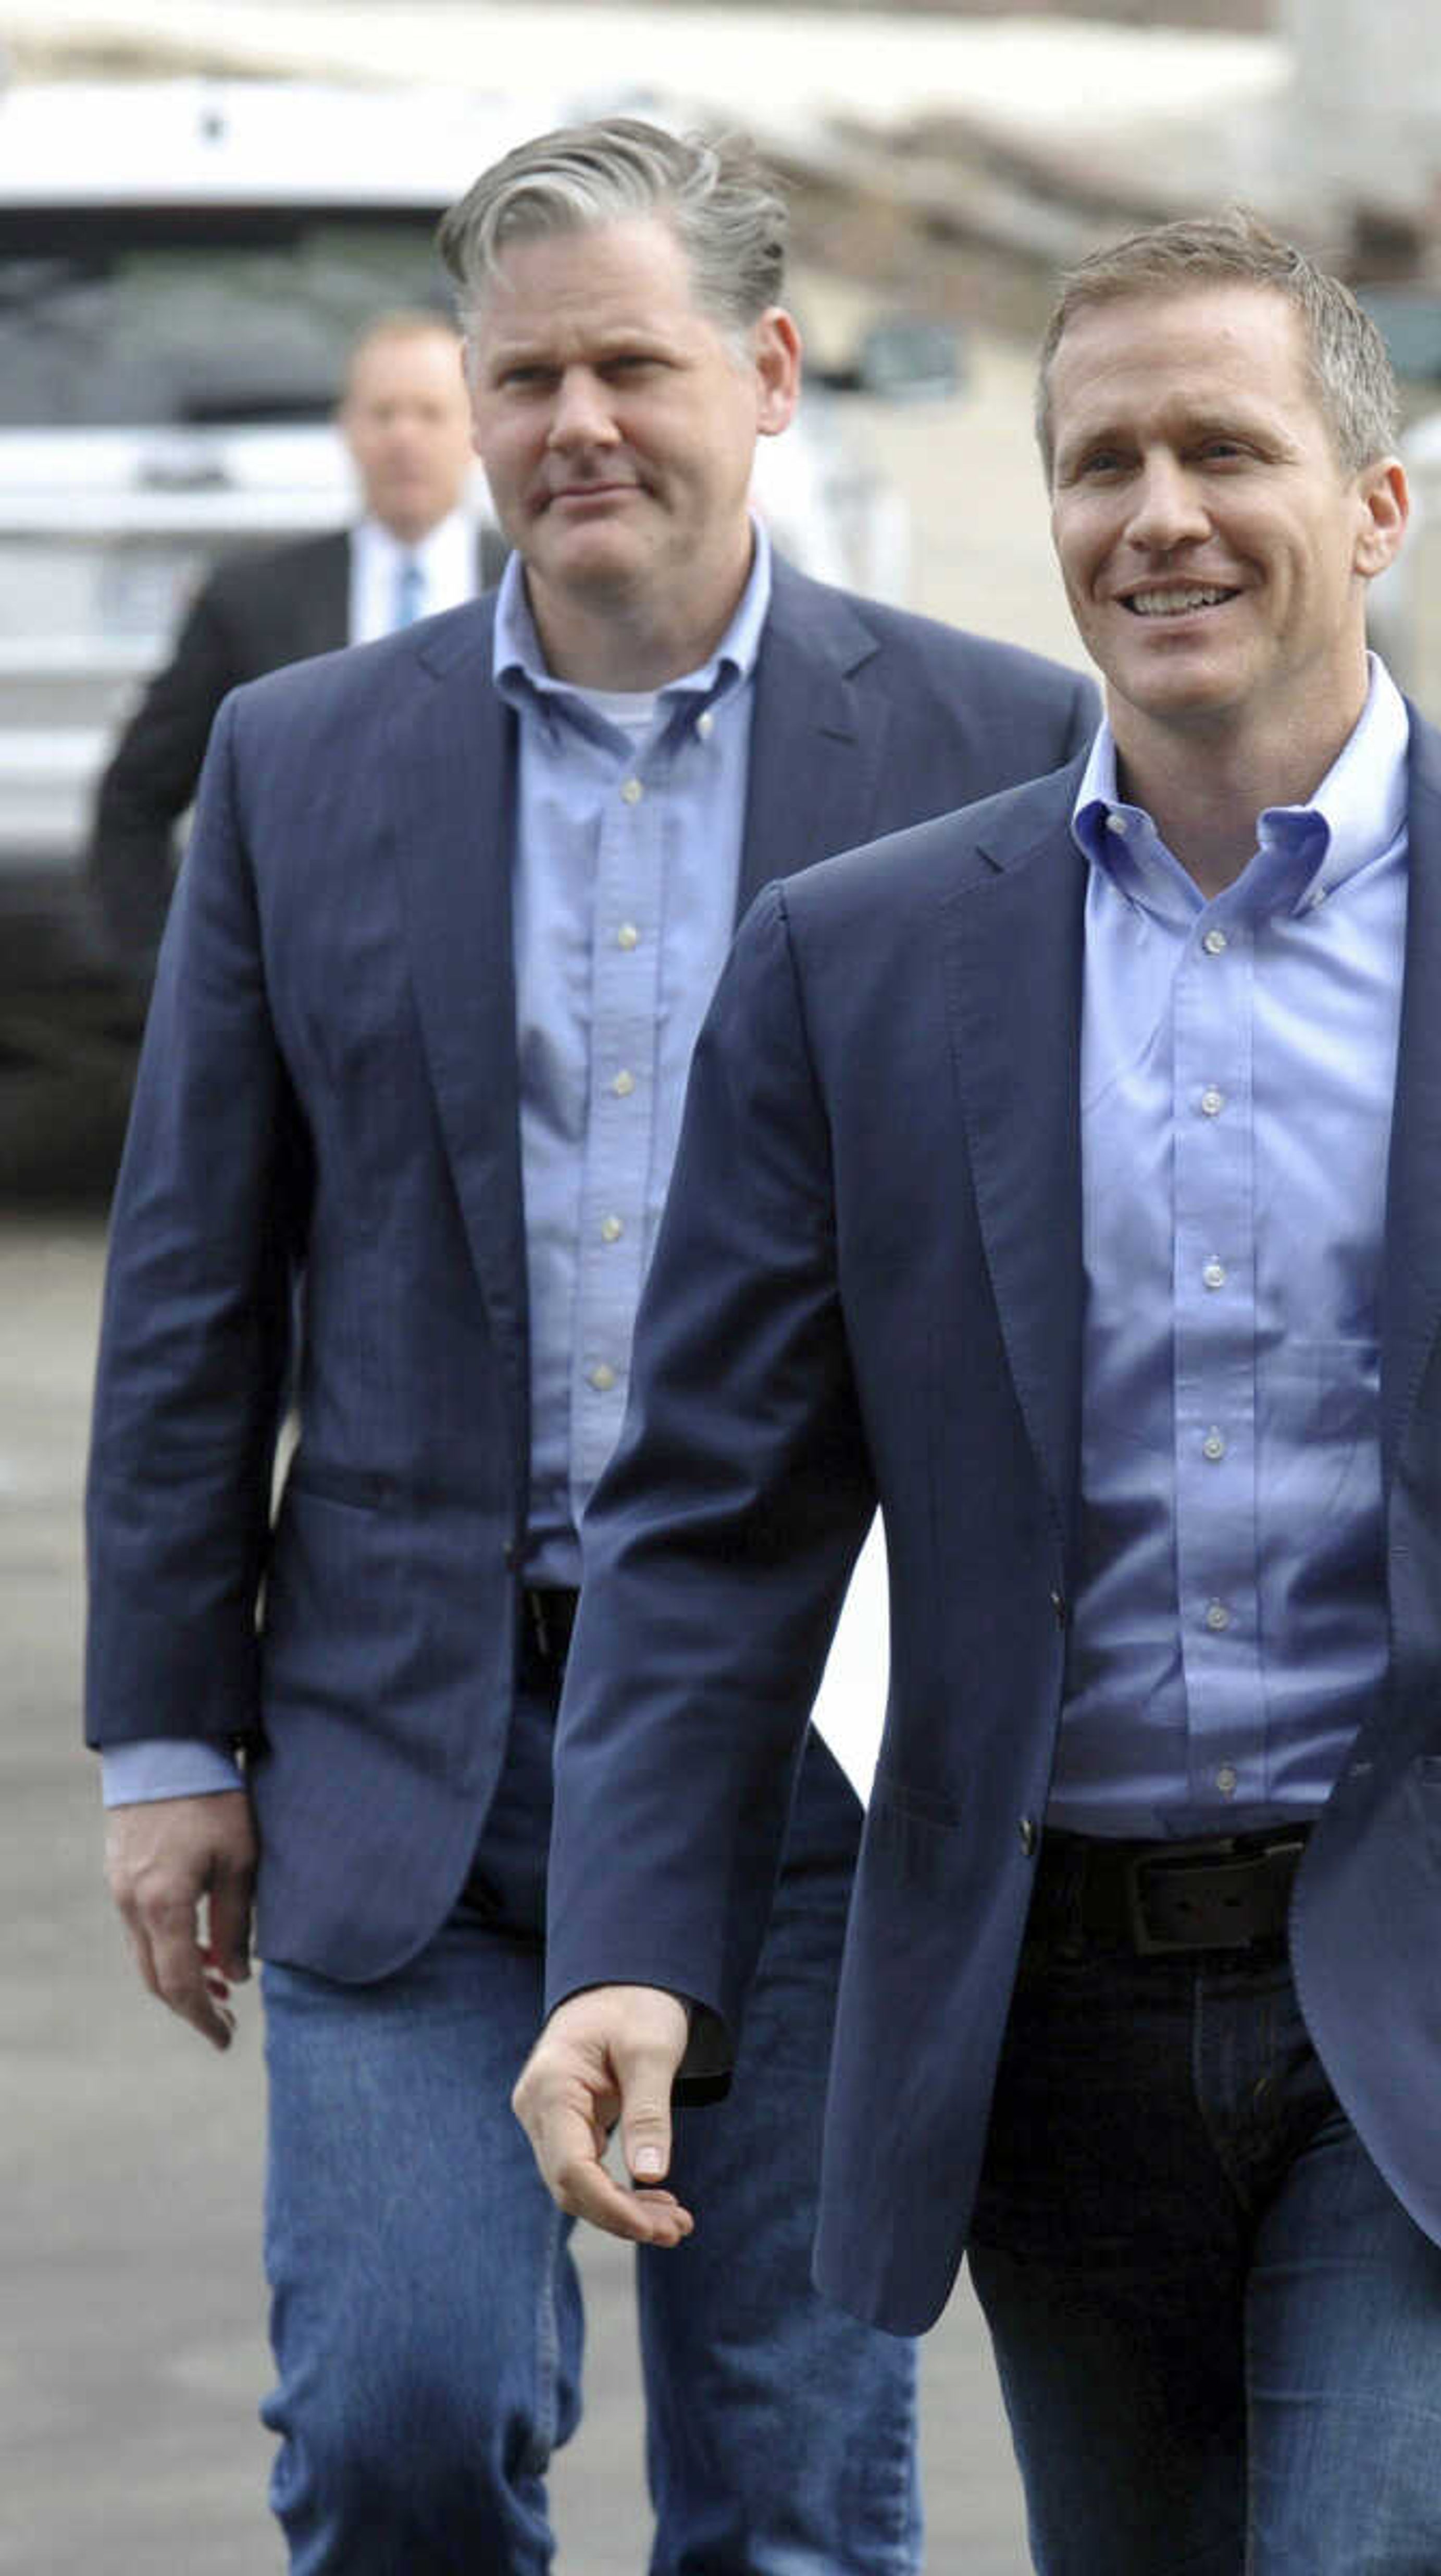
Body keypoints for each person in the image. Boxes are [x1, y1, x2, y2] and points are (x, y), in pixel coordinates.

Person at [515, 213, 1441, 2573]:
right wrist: (628, 1953)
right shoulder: (860, 967)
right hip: (1043, 2009)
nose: (1155, 513)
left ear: (1377, 506)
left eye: (1224, 446)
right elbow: (717, 1517)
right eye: (1100, 461)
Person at [84, 118, 1096, 2575]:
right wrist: (165, 1738)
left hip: (816, 1767)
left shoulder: (991, 751)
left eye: (631, 364)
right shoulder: (303, 760)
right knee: (402, 2428)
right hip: (416, 1753)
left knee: (789, 2490)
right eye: (520, 374)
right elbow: (194, 1284)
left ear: (763, 373)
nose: (575, 426)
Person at [88, 308, 504, 977]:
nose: (404, 438)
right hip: (307, 987)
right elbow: (134, 798)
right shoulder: (251, 601)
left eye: (429, 413)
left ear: (476, 429)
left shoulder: (541, 590)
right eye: (382, 413)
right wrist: (172, 981)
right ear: (346, 429)